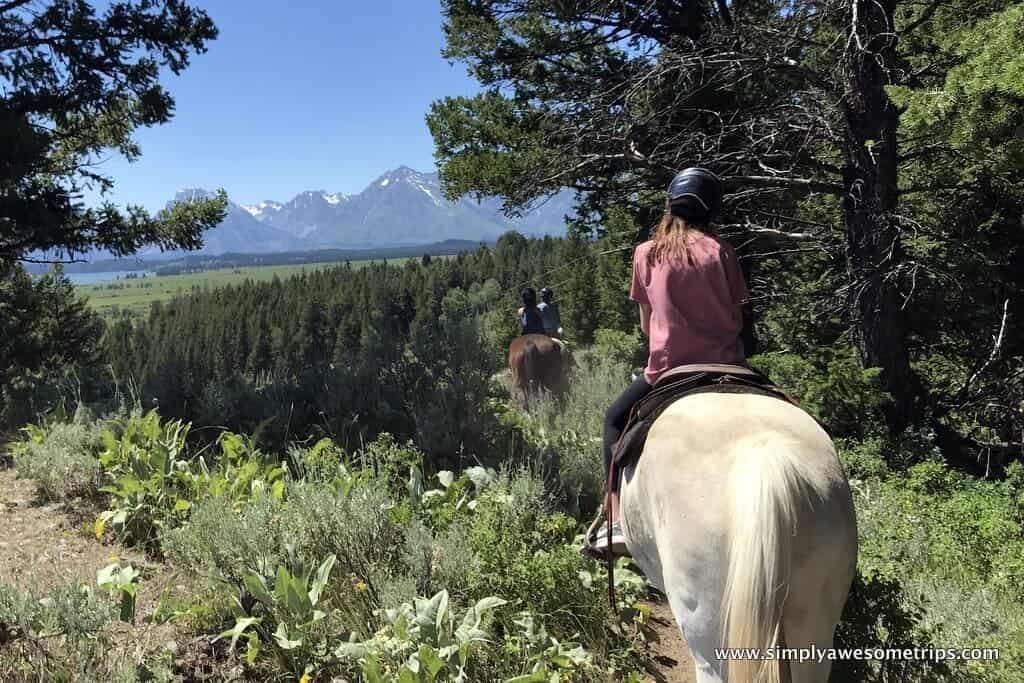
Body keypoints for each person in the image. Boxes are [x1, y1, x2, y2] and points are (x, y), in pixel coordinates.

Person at [590, 167, 752, 555]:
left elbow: (648, 326)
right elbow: (738, 314)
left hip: (669, 373)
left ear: (669, 205)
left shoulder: (646, 254)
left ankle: (614, 521)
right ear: (711, 210)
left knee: (613, 419)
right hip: (728, 368)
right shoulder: (721, 251)